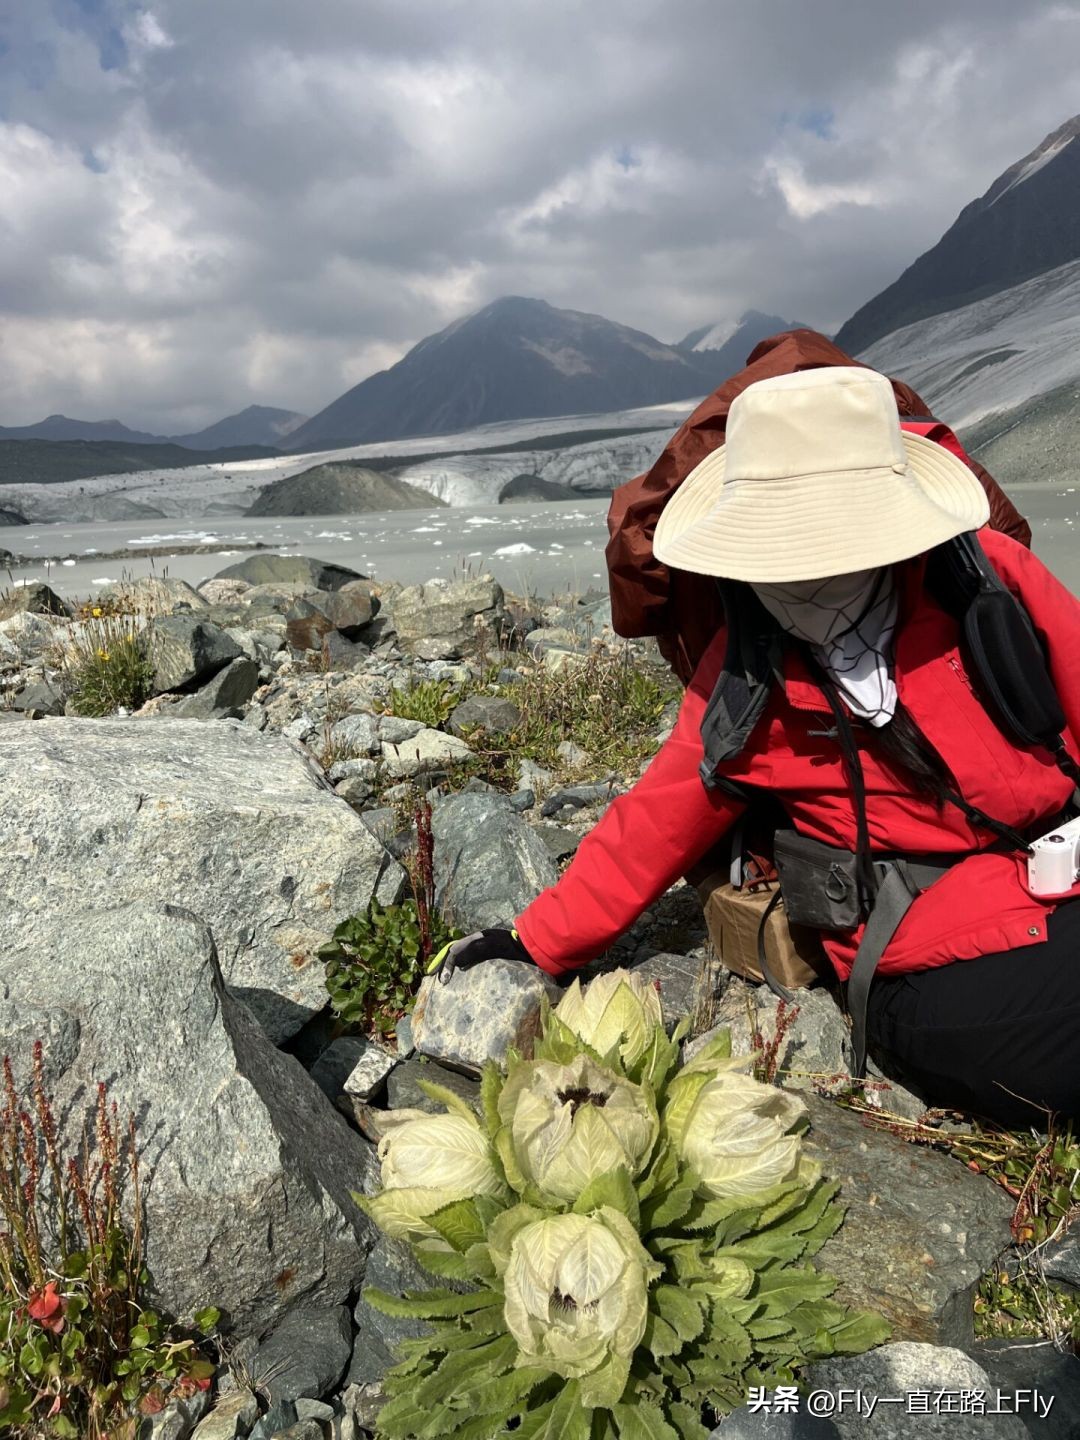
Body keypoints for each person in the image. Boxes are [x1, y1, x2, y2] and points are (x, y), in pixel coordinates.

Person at [430, 366, 1080, 1130]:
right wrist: (532, 939)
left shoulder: (984, 576)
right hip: (930, 954)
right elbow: (659, 819)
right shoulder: (746, 672)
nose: (808, 570)